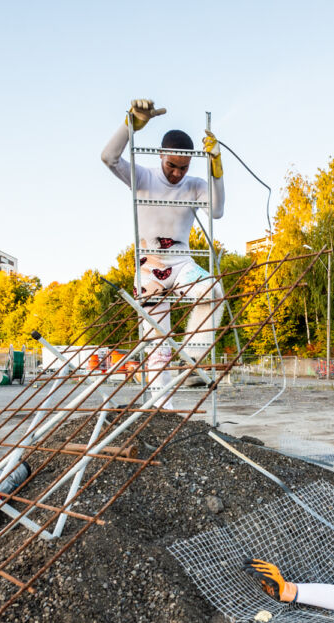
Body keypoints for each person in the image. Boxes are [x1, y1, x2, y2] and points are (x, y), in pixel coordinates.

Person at [100, 98, 226, 404]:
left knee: (212, 291)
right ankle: (161, 408)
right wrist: (130, 125)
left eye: (183, 167)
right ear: (160, 156)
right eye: (171, 165)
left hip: (182, 262)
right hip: (148, 267)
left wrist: (216, 171)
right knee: (157, 344)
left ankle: (192, 359)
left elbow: (218, 210)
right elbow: (109, 158)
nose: (175, 174)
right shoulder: (143, 177)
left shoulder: (194, 185)